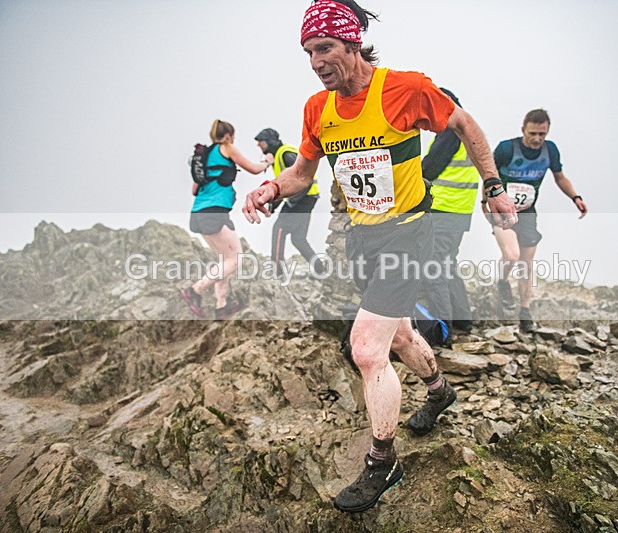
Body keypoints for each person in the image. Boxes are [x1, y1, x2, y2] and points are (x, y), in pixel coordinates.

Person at [242, 0, 517, 513]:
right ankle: (438, 390)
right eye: (307, 52)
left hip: (409, 232)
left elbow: (465, 125)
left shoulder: (404, 88)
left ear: (351, 43)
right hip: (363, 238)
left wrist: (493, 185)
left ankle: (382, 460)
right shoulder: (316, 109)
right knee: (401, 331)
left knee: (368, 348)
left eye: (324, 48)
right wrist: (271, 188)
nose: (316, 61)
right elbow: (304, 171)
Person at [485, 109, 588, 333]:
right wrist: (486, 205)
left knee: (526, 263)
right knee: (511, 255)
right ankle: (502, 282)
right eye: (533, 133)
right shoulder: (506, 149)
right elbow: (488, 175)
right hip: (502, 209)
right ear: (523, 130)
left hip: (528, 212)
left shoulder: (549, 151)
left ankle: (525, 310)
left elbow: (559, 177)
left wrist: (575, 197)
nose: (537, 139)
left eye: (542, 134)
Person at [180, 119, 274, 320]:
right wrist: (268, 161)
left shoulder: (205, 156)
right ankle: (194, 290)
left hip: (198, 213)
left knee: (225, 259)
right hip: (214, 212)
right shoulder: (227, 147)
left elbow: (194, 189)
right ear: (229, 135)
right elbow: (254, 169)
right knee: (235, 259)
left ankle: (221, 307)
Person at [420, 88, 480, 337]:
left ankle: (442, 329)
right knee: (448, 264)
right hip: (460, 212)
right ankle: (463, 320)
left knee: (434, 268)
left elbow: (429, 168)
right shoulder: (470, 130)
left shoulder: (451, 132)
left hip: (443, 210)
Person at [254, 127, 322, 276]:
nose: (259, 146)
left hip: (302, 198)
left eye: (262, 142)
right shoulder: (279, 155)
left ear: (271, 142)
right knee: (298, 239)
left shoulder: (285, 154)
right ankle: (320, 268)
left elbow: (304, 178)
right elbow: (284, 187)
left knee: (279, 229)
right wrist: (273, 206)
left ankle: (277, 272)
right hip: (307, 198)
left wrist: (292, 202)